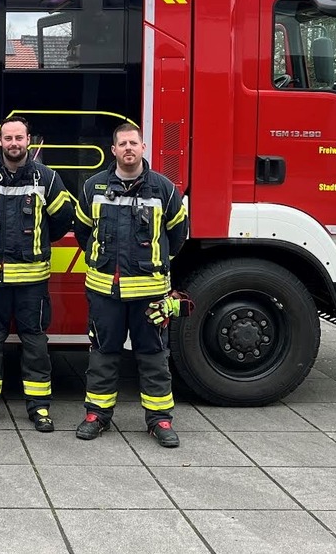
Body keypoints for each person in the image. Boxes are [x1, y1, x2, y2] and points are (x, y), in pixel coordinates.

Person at [73, 122, 189, 448]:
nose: (128, 148)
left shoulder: (164, 189)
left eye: (133, 143)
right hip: (105, 291)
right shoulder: (93, 187)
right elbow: (84, 233)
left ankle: (159, 420)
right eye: (122, 143)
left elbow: (178, 237)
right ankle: (96, 415)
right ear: (113, 150)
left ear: (143, 148)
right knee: (102, 355)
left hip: (149, 294)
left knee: (153, 355)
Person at [0, 116, 74, 432]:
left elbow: (62, 220)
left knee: (35, 343)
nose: (14, 143)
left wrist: (35, 245)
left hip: (31, 280)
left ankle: (39, 408)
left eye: (19, 138)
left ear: (29, 140)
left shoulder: (48, 179)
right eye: (8, 138)